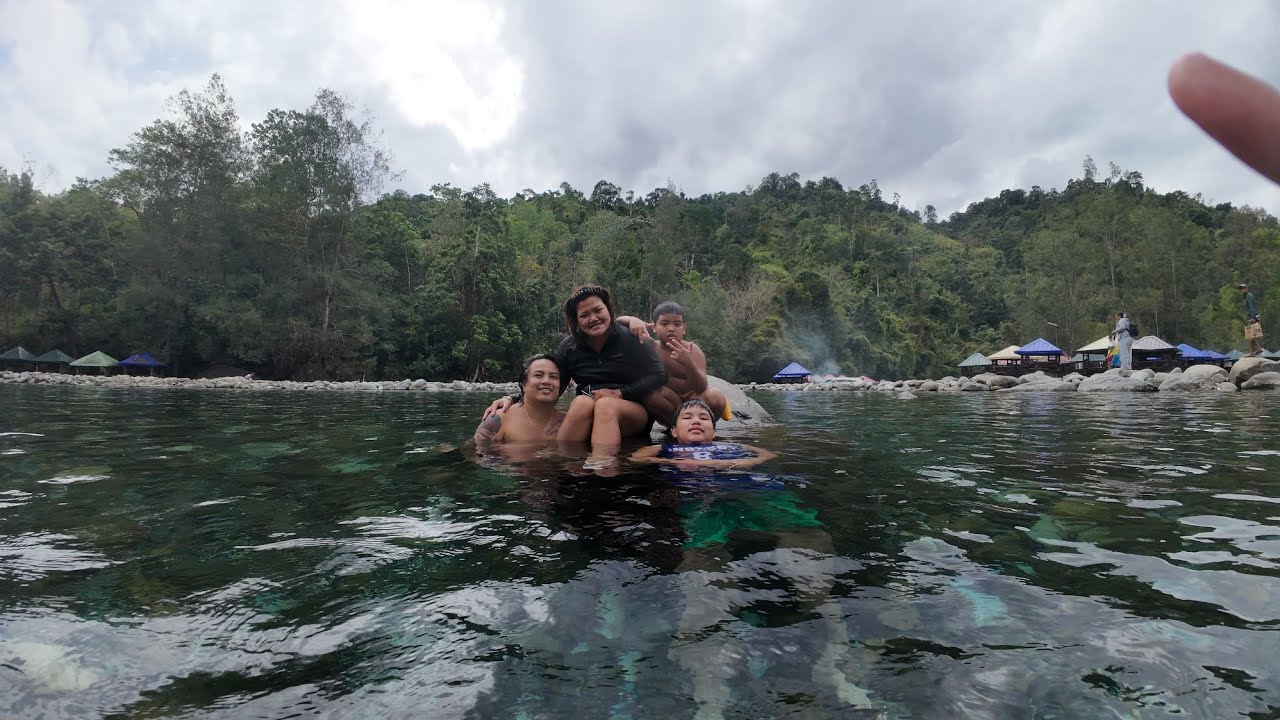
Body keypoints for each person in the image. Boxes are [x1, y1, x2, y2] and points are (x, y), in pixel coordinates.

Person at [483, 285, 666, 460]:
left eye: (597, 310)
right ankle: (563, 462)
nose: (593, 318)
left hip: (630, 413)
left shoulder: (629, 338)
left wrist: (620, 393)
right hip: (589, 416)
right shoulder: (570, 347)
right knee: (580, 402)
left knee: (605, 405)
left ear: (608, 310)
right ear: (576, 321)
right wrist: (512, 398)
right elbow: (555, 386)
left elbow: (659, 375)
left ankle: (602, 463)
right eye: (584, 315)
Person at [620, 301, 730, 425]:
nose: (671, 329)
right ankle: (676, 428)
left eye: (677, 324)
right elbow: (617, 322)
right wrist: (632, 320)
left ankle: (704, 429)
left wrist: (688, 363)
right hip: (668, 404)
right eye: (664, 323)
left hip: (694, 401)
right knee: (650, 395)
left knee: (716, 396)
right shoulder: (650, 346)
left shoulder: (693, 350)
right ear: (654, 327)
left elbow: (701, 387)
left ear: (684, 328)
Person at [631, 398, 773, 470]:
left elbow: (768, 454)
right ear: (674, 431)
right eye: (687, 417)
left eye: (703, 418)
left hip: (725, 483)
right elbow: (636, 458)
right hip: (681, 488)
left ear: (713, 433)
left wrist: (739, 462)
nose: (696, 421)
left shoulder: (730, 446)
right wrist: (673, 462)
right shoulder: (664, 448)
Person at [473, 353, 566, 454]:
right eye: (538, 375)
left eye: (553, 377)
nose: (546, 381)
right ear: (524, 384)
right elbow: (475, 455)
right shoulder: (500, 419)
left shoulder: (567, 423)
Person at [1240, 283, 1264, 356]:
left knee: (1250, 335)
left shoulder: (1249, 296)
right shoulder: (1246, 296)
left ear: (1246, 288)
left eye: (1243, 288)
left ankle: (1252, 352)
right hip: (1251, 317)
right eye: (1241, 289)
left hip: (1253, 317)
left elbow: (1252, 307)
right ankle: (1258, 348)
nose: (1242, 290)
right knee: (1251, 335)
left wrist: (1252, 317)